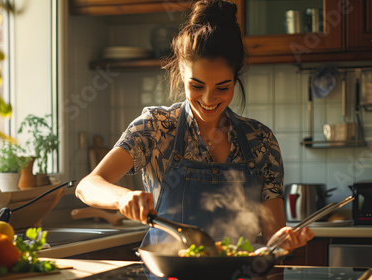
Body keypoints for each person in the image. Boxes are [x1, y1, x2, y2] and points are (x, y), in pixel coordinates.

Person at [76, 0, 314, 252]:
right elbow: (87, 186)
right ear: (181, 71)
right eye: (197, 86)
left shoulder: (260, 140)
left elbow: (272, 240)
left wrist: (283, 243)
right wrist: (122, 197)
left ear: (236, 77)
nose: (209, 99)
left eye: (223, 87)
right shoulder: (156, 128)